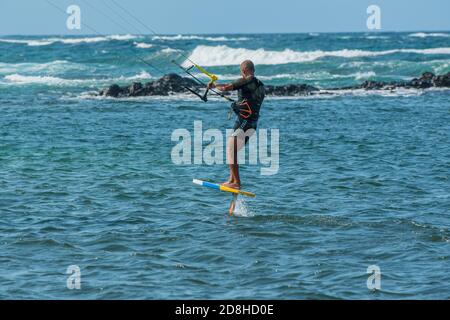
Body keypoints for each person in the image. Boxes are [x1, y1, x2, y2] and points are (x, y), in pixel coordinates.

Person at [208, 60, 265, 189]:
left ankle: (236, 182)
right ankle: (232, 179)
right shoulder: (260, 85)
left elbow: (226, 88)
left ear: (243, 71)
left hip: (244, 122)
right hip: (253, 123)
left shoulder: (246, 80)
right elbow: (250, 100)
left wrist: (214, 86)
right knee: (233, 150)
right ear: (253, 70)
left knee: (231, 149)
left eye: (241, 72)